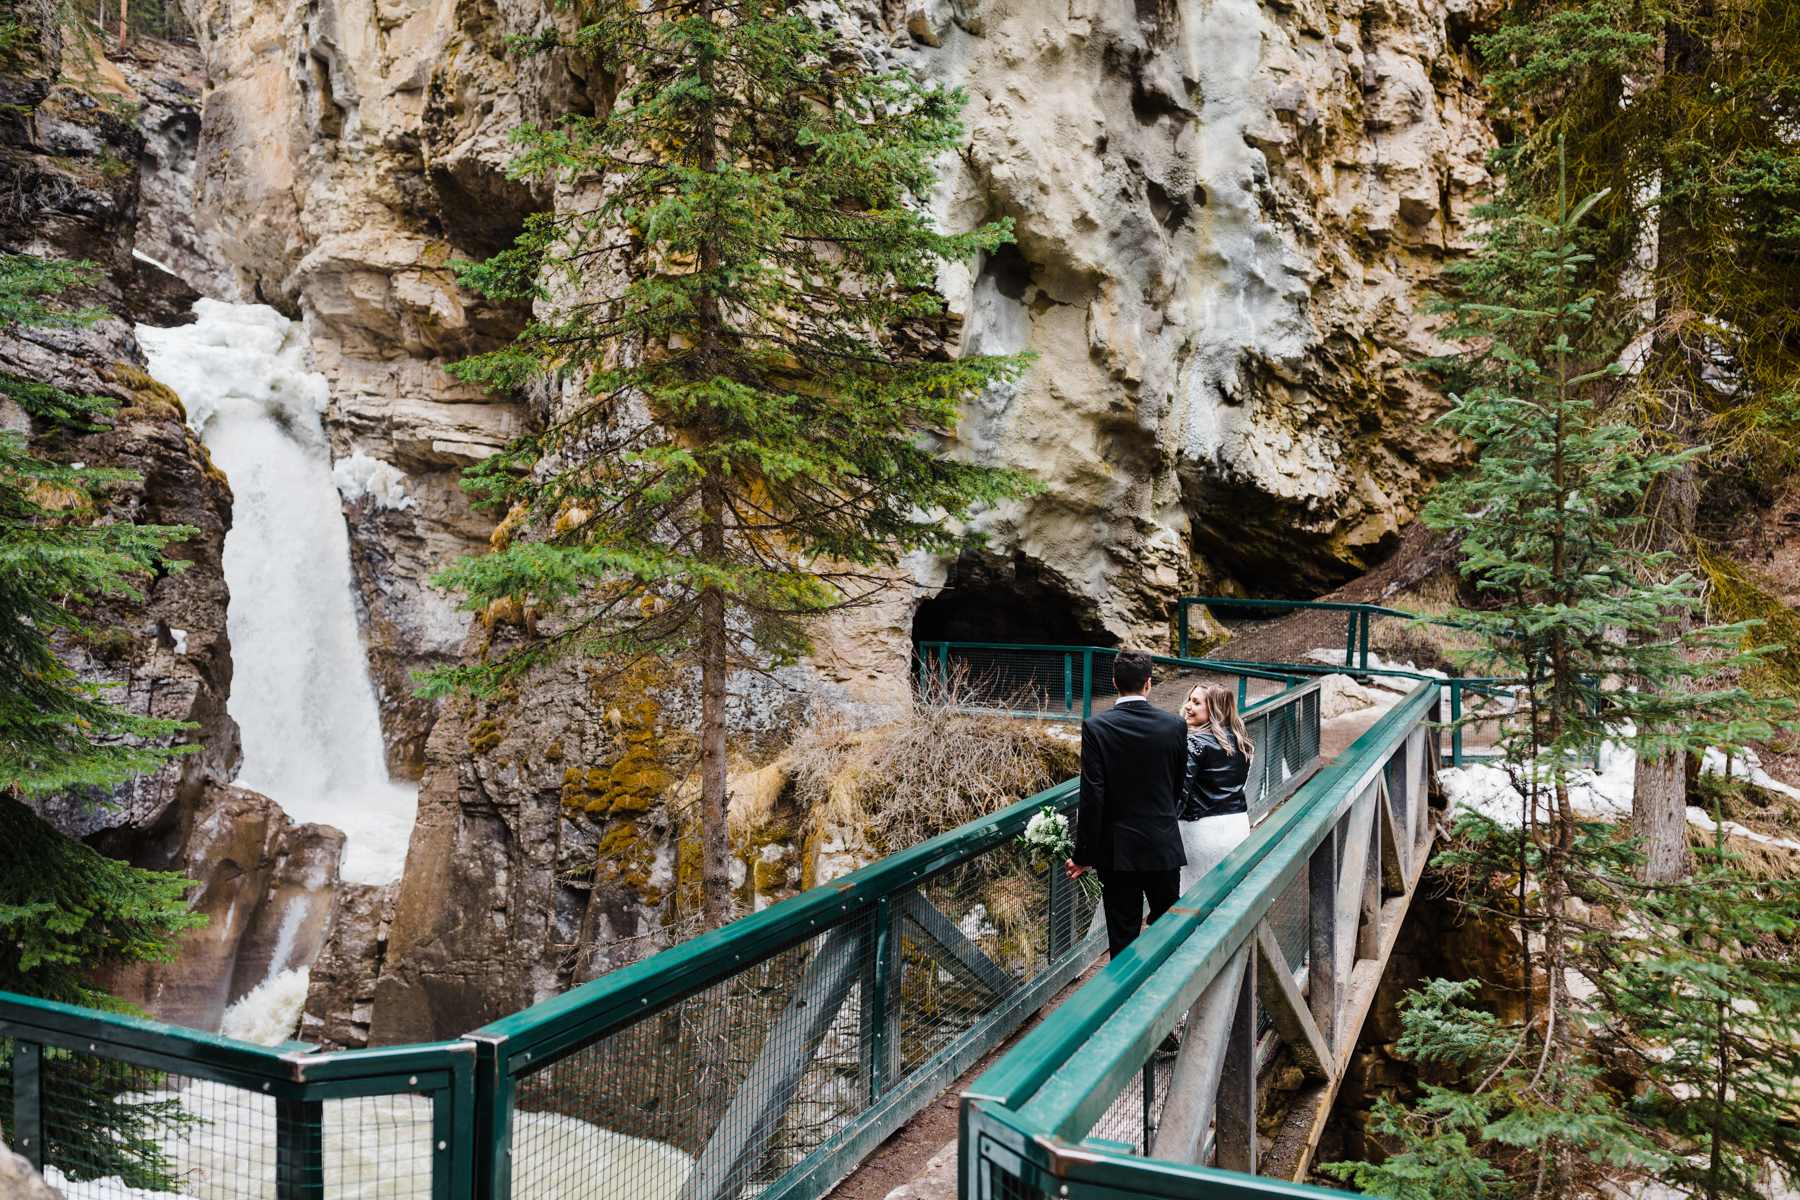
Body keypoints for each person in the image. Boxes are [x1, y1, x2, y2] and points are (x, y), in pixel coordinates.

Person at [1066, 649, 1189, 959]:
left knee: (1122, 936)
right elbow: (1178, 785)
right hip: (1162, 843)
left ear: (1114, 682)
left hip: (1117, 850)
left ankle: (1124, 1002)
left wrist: (1083, 856)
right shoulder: (1174, 726)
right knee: (1167, 928)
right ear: (1148, 684)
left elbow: (1092, 796)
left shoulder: (1097, 727)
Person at [1177, 682, 1255, 895]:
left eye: (1196, 702)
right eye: (1189, 700)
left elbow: (1181, 791)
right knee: (1229, 896)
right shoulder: (1243, 743)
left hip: (1200, 832)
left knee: (1193, 897)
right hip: (1236, 827)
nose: (1188, 706)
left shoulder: (1193, 743)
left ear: (1213, 709)